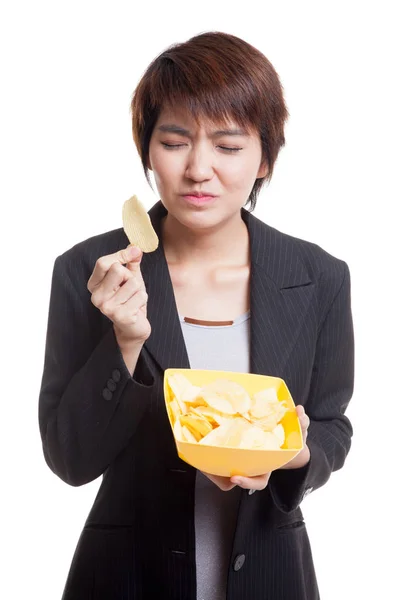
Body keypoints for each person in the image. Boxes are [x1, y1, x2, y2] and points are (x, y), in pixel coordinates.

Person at [38, 31, 354, 600]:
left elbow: (332, 424)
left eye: (229, 147)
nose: (199, 169)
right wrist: (125, 342)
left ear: (265, 159)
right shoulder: (89, 271)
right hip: (125, 579)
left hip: (272, 577)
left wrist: (294, 450)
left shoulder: (319, 276)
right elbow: (70, 458)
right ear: (148, 151)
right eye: (176, 141)